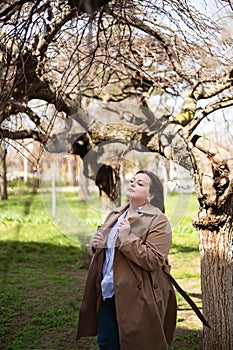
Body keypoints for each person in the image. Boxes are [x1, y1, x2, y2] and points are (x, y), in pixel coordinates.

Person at [76, 170, 177, 350]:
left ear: (151, 194)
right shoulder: (115, 214)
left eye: (140, 184)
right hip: (109, 291)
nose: (132, 184)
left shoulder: (159, 221)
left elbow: (154, 259)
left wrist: (127, 238)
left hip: (138, 298)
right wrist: (94, 246)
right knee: (107, 343)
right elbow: (106, 255)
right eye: (132, 181)